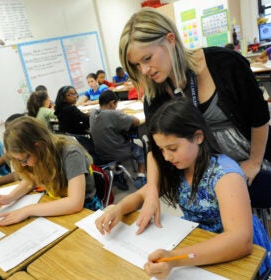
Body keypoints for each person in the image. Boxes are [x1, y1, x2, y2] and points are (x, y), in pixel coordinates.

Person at [118, 7, 271, 233]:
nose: (145, 70)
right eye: (137, 65)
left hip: (249, 159)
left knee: (249, 231)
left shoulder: (225, 63)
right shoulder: (155, 94)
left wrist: (254, 162)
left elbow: (259, 117)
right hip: (205, 174)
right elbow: (154, 148)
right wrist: (151, 192)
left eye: (147, 59)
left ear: (170, 39)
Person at [95, 98, 271, 278]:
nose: (167, 157)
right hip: (198, 240)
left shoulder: (224, 174)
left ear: (198, 137)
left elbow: (240, 241)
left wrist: (175, 258)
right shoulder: (178, 167)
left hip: (233, 252)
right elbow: (142, 195)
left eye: (172, 148)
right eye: (162, 150)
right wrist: (118, 209)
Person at [0, 116, 102, 226]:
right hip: (57, 203)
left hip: (86, 211)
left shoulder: (70, 153)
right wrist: (10, 197)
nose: (23, 165)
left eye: (24, 160)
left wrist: (27, 210)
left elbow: (75, 203)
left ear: (38, 146)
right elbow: (31, 180)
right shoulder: (39, 154)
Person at [90, 90, 146, 189]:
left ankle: (118, 175)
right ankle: (141, 177)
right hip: (118, 152)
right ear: (112, 103)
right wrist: (121, 114)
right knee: (141, 150)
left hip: (101, 153)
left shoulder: (93, 113)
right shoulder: (113, 115)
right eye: (116, 104)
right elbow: (136, 121)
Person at [54, 85, 95, 157]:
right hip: (77, 137)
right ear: (63, 98)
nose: (75, 96)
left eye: (75, 93)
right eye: (71, 94)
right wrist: (89, 115)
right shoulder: (71, 109)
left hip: (68, 137)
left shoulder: (60, 108)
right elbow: (86, 119)